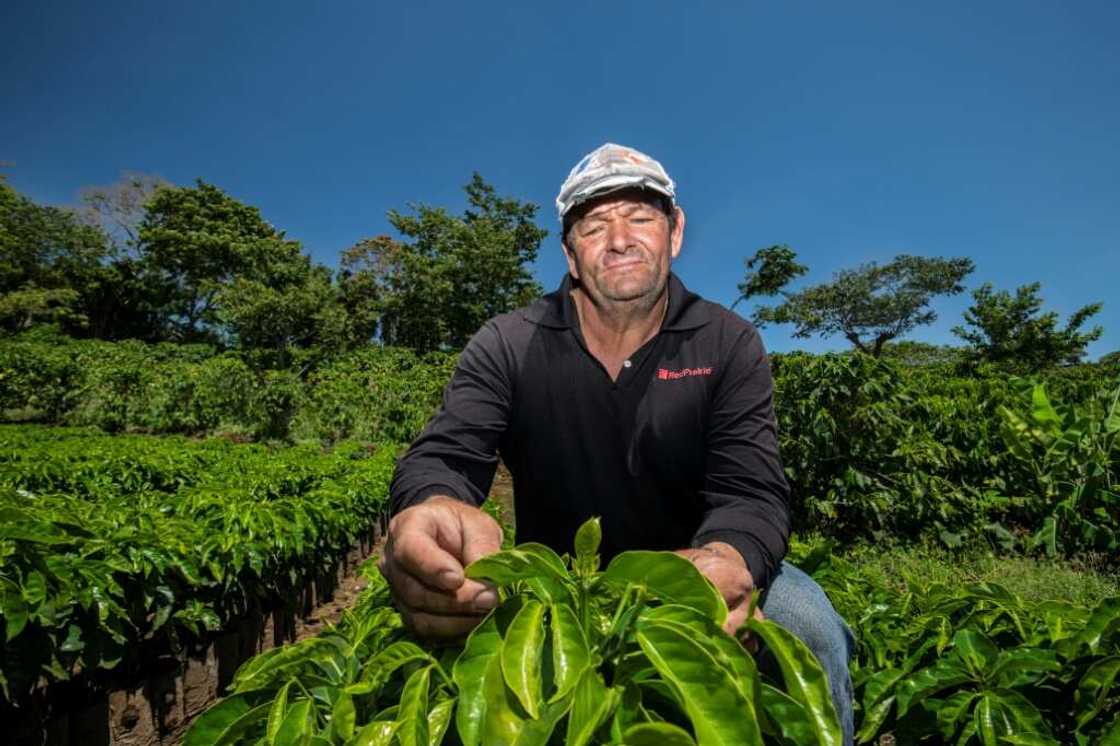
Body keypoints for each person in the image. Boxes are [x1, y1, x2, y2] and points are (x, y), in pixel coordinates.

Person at [381, 143, 855, 743]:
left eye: (640, 217)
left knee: (807, 624)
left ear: (675, 231)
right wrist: (431, 504)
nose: (620, 238)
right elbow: (447, 452)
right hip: (561, 578)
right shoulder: (509, 342)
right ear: (570, 253)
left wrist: (729, 556)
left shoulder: (727, 341)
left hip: (694, 565)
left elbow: (751, 488)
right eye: (595, 224)